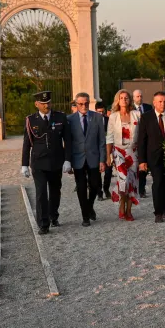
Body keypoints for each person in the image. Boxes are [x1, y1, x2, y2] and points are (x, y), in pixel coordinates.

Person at [21, 91, 73, 234]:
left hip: (56, 161)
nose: (46, 106)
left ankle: (53, 215)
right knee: (41, 193)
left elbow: (67, 140)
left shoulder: (60, 117)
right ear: (36, 104)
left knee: (55, 191)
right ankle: (43, 224)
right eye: (43, 103)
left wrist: (68, 160)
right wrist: (24, 164)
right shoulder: (31, 120)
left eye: (48, 103)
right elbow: (27, 143)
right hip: (38, 162)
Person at [67, 92, 106, 227]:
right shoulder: (70, 119)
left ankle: (89, 207)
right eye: (81, 104)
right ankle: (85, 216)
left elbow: (102, 140)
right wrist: (68, 162)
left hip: (94, 157)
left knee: (95, 185)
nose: (84, 106)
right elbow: (68, 142)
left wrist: (102, 160)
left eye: (86, 103)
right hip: (77, 158)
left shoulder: (97, 117)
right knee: (81, 188)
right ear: (76, 104)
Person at [138, 91, 165, 223]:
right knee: (157, 182)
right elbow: (142, 140)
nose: (163, 104)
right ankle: (158, 212)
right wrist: (142, 160)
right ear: (154, 103)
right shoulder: (146, 117)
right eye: (160, 101)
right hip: (153, 157)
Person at [106, 89, 141, 220]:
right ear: (118, 100)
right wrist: (108, 157)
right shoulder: (113, 116)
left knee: (132, 181)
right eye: (121, 98)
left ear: (129, 100)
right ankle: (122, 203)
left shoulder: (136, 114)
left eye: (126, 97)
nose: (124, 100)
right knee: (124, 179)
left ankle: (129, 210)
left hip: (133, 152)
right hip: (118, 151)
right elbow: (109, 138)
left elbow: (142, 135)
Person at [132, 89, 151, 198]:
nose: (139, 98)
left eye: (141, 96)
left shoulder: (148, 108)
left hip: (147, 140)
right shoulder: (130, 109)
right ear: (133, 98)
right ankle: (134, 188)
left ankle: (142, 189)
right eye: (137, 96)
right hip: (135, 140)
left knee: (143, 167)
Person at [95, 101, 112, 200]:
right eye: (99, 112)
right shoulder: (92, 121)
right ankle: (99, 192)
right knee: (97, 173)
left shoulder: (109, 120)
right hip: (96, 150)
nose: (101, 114)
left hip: (107, 149)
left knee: (108, 171)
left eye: (102, 111)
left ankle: (106, 188)